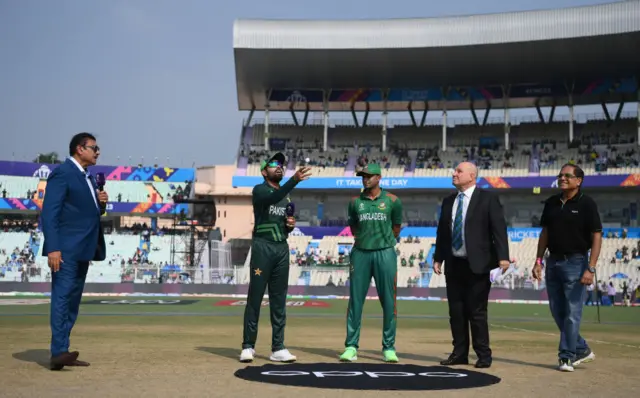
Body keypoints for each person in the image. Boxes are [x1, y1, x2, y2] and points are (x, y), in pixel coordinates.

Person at [41, 132, 108, 370]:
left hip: (83, 249)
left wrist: (101, 204)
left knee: (72, 302)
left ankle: (63, 350)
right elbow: (50, 213)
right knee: (62, 298)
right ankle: (58, 351)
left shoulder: (87, 177)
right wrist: (53, 248)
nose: (98, 151)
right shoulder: (63, 173)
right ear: (80, 149)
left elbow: (89, 214)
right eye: (94, 147)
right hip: (66, 250)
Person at [433, 161, 509, 369]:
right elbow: (443, 232)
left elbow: (499, 229)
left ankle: (483, 355)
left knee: (477, 312)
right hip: (454, 263)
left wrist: (503, 257)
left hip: (478, 264)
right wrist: (438, 257)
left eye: (459, 171)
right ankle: (459, 354)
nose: (454, 173)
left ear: (472, 176)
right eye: (455, 170)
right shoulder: (449, 201)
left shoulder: (488, 199)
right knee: (456, 312)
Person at [239, 152, 312, 363]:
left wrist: (289, 226)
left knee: (279, 300)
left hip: (281, 249)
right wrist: (294, 180)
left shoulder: (286, 197)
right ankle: (248, 346)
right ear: (264, 171)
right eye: (273, 164)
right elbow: (271, 199)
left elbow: (281, 226)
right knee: (255, 297)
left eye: (281, 164)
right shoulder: (260, 190)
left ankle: (278, 347)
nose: (278, 166)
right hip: (263, 248)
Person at [532, 163, 602, 371]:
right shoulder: (552, 202)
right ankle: (581, 348)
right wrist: (538, 260)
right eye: (560, 175)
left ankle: (566, 356)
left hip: (576, 262)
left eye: (567, 176)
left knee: (572, 312)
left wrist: (591, 267)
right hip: (552, 262)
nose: (562, 178)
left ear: (578, 180)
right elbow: (545, 232)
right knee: (557, 311)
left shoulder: (587, 204)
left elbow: (597, 235)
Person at [339, 163, 403, 363]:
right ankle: (351, 346)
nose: (365, 179)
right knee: (355, 301)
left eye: (369, 176)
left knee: (389, 302)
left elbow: (396, 228)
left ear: (378, 177)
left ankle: (389, 347)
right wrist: (366, 242)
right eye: (362, 176)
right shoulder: (355, 202)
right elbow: (354, 227)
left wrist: (382, 243)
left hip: (385, 253)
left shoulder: (393, 200)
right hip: (360, 253)